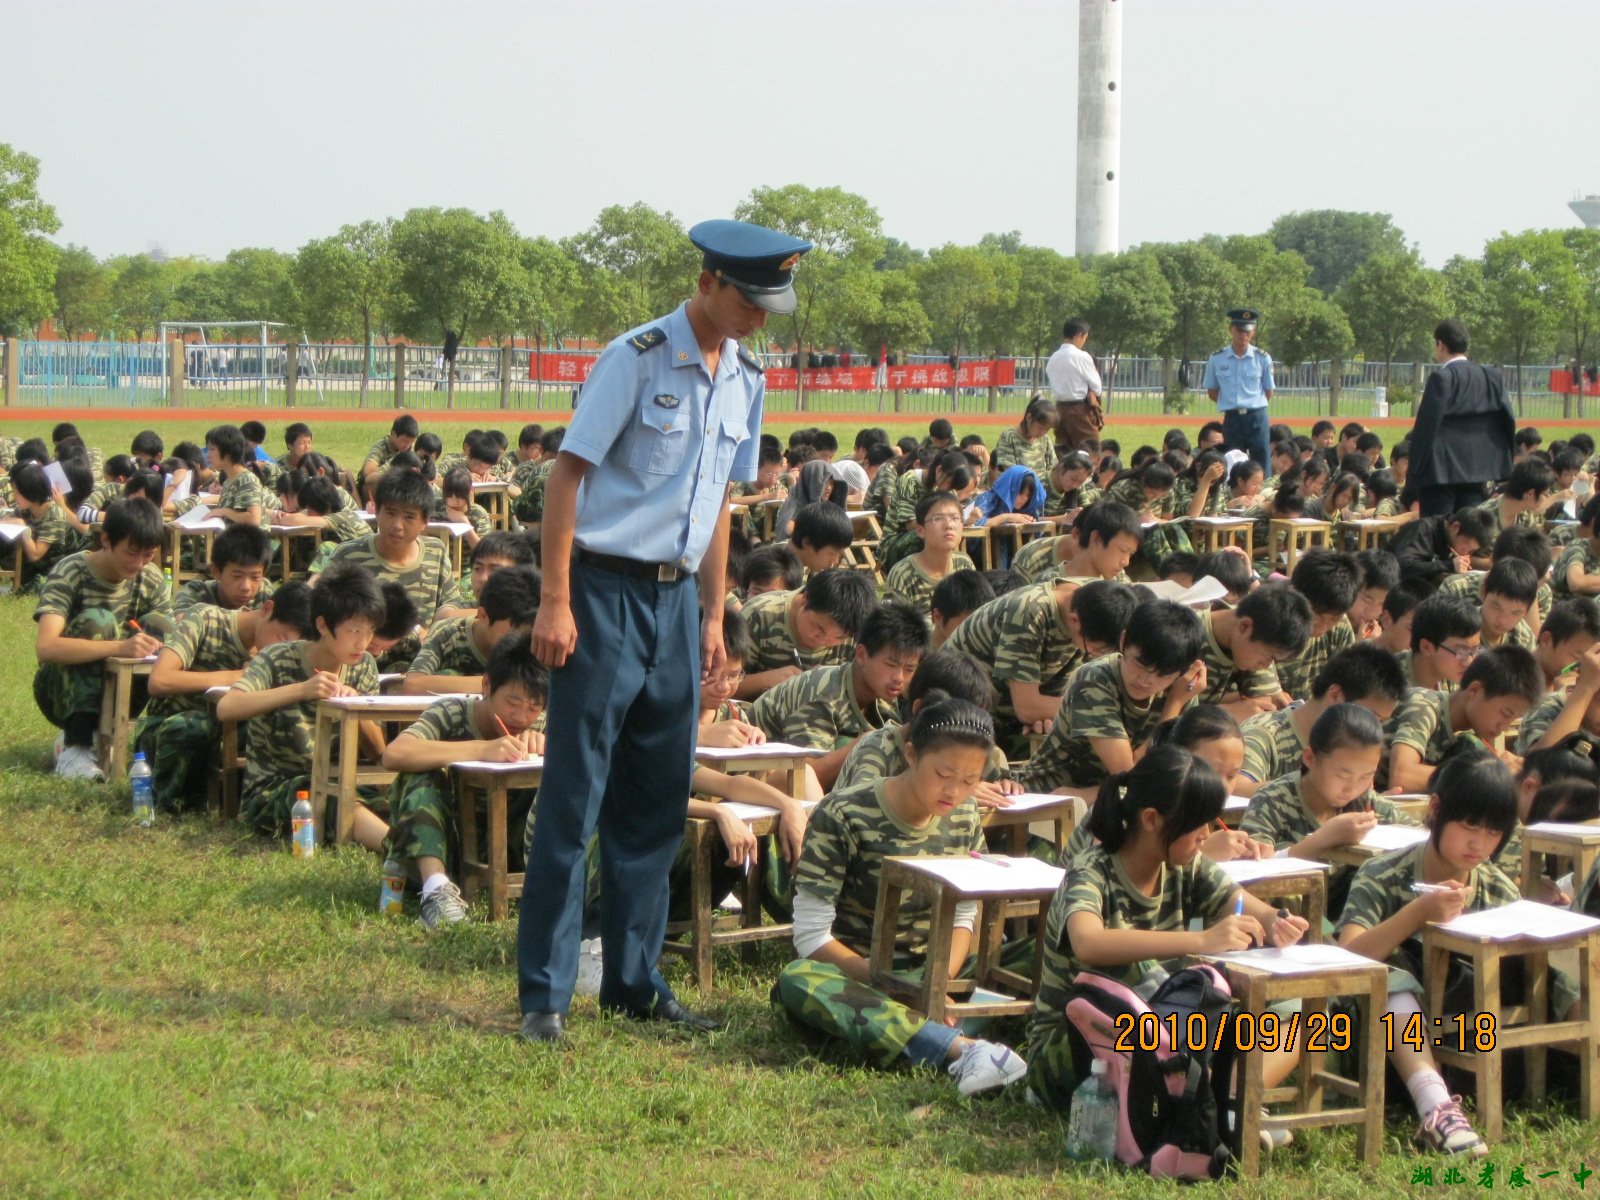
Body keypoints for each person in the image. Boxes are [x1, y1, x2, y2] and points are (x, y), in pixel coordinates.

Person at [516, 217, 812, 1044]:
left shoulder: (747, 377)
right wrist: (554, 597)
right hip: (602, 592)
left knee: (653, 802)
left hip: (679, 602)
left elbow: (719, 501)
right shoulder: (637, 357)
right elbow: (568, 474)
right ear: (711, 281)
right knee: (576, 799)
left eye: (771, 305)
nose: (762, 318)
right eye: (752, 301)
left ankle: (635, 983)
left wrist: (715, 614)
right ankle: (544, 993)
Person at [1026, 746, 1308, 1112]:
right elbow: (1088, 942)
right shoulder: (1092, 871)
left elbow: (1248, 907)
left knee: (1300, 1010)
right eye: (1196, 824)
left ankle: (1225, 1103)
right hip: (1073, 1058)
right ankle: (1202, 1100)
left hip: (1163, 1034)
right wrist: (1201, 941)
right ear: (1151, 819)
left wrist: (1278, 922)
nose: (1206, 835)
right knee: (1137, 976)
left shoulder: (1186, 867)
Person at [770, 698, 1029, 1094]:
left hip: (939, 971)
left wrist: (936, 986)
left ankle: (928, 1033)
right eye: (943, 774)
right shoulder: (843, 814)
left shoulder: (963, 817)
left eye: (970, 780)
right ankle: (961, 1048)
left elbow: (965, 913)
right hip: (862, 975)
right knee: (797, 980)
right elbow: (810, 936)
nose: (954, 791)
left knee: (1038, 953)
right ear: (911, 754)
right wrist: (897, 988)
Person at [33, 498, 173, 780]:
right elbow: (46, 647)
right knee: (99, 621)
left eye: (148, 555)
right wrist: (120, 647)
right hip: (61, 688)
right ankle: (77, 745)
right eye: (131, 553)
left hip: (121, 687)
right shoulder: (71, 572)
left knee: (161, 627)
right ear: (106, 539)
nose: (138, 564)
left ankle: (117, 736)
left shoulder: (150, 579)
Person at [1401, 319, 1516, 518]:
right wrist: (1503, 462)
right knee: (1470, 530)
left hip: (1441, 471)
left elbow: (1426, 429)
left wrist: (1413, 478)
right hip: (1479, 468)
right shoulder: (1491, 376)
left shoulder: (1441, 379)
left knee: (1438, 530)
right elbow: (1508, 420)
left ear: (1440, 344)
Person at [1203, 308, 1275, 468]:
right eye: (1239, 330)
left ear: (1253, 332)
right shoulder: (1217, 358)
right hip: (1233, 419)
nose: (1243, 335)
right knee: (1233, 462)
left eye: (1247, 331)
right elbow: (1212, 392)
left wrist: (1251, 404)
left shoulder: (1262, 358)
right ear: (1231, 329)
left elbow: (1268, 391)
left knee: (1262, 460)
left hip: (1257, 417)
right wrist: (1232, 403)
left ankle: (1264, 493)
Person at [1044, 318, 1103, 452]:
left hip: (1059, 409)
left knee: (1063, 451)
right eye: (1084, 338)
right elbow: (1097, 387)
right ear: (1079, 335)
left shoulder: (1053, 358)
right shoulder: (1081, 356)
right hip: (1079, 410)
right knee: (1091, 451)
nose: (1084, 342)